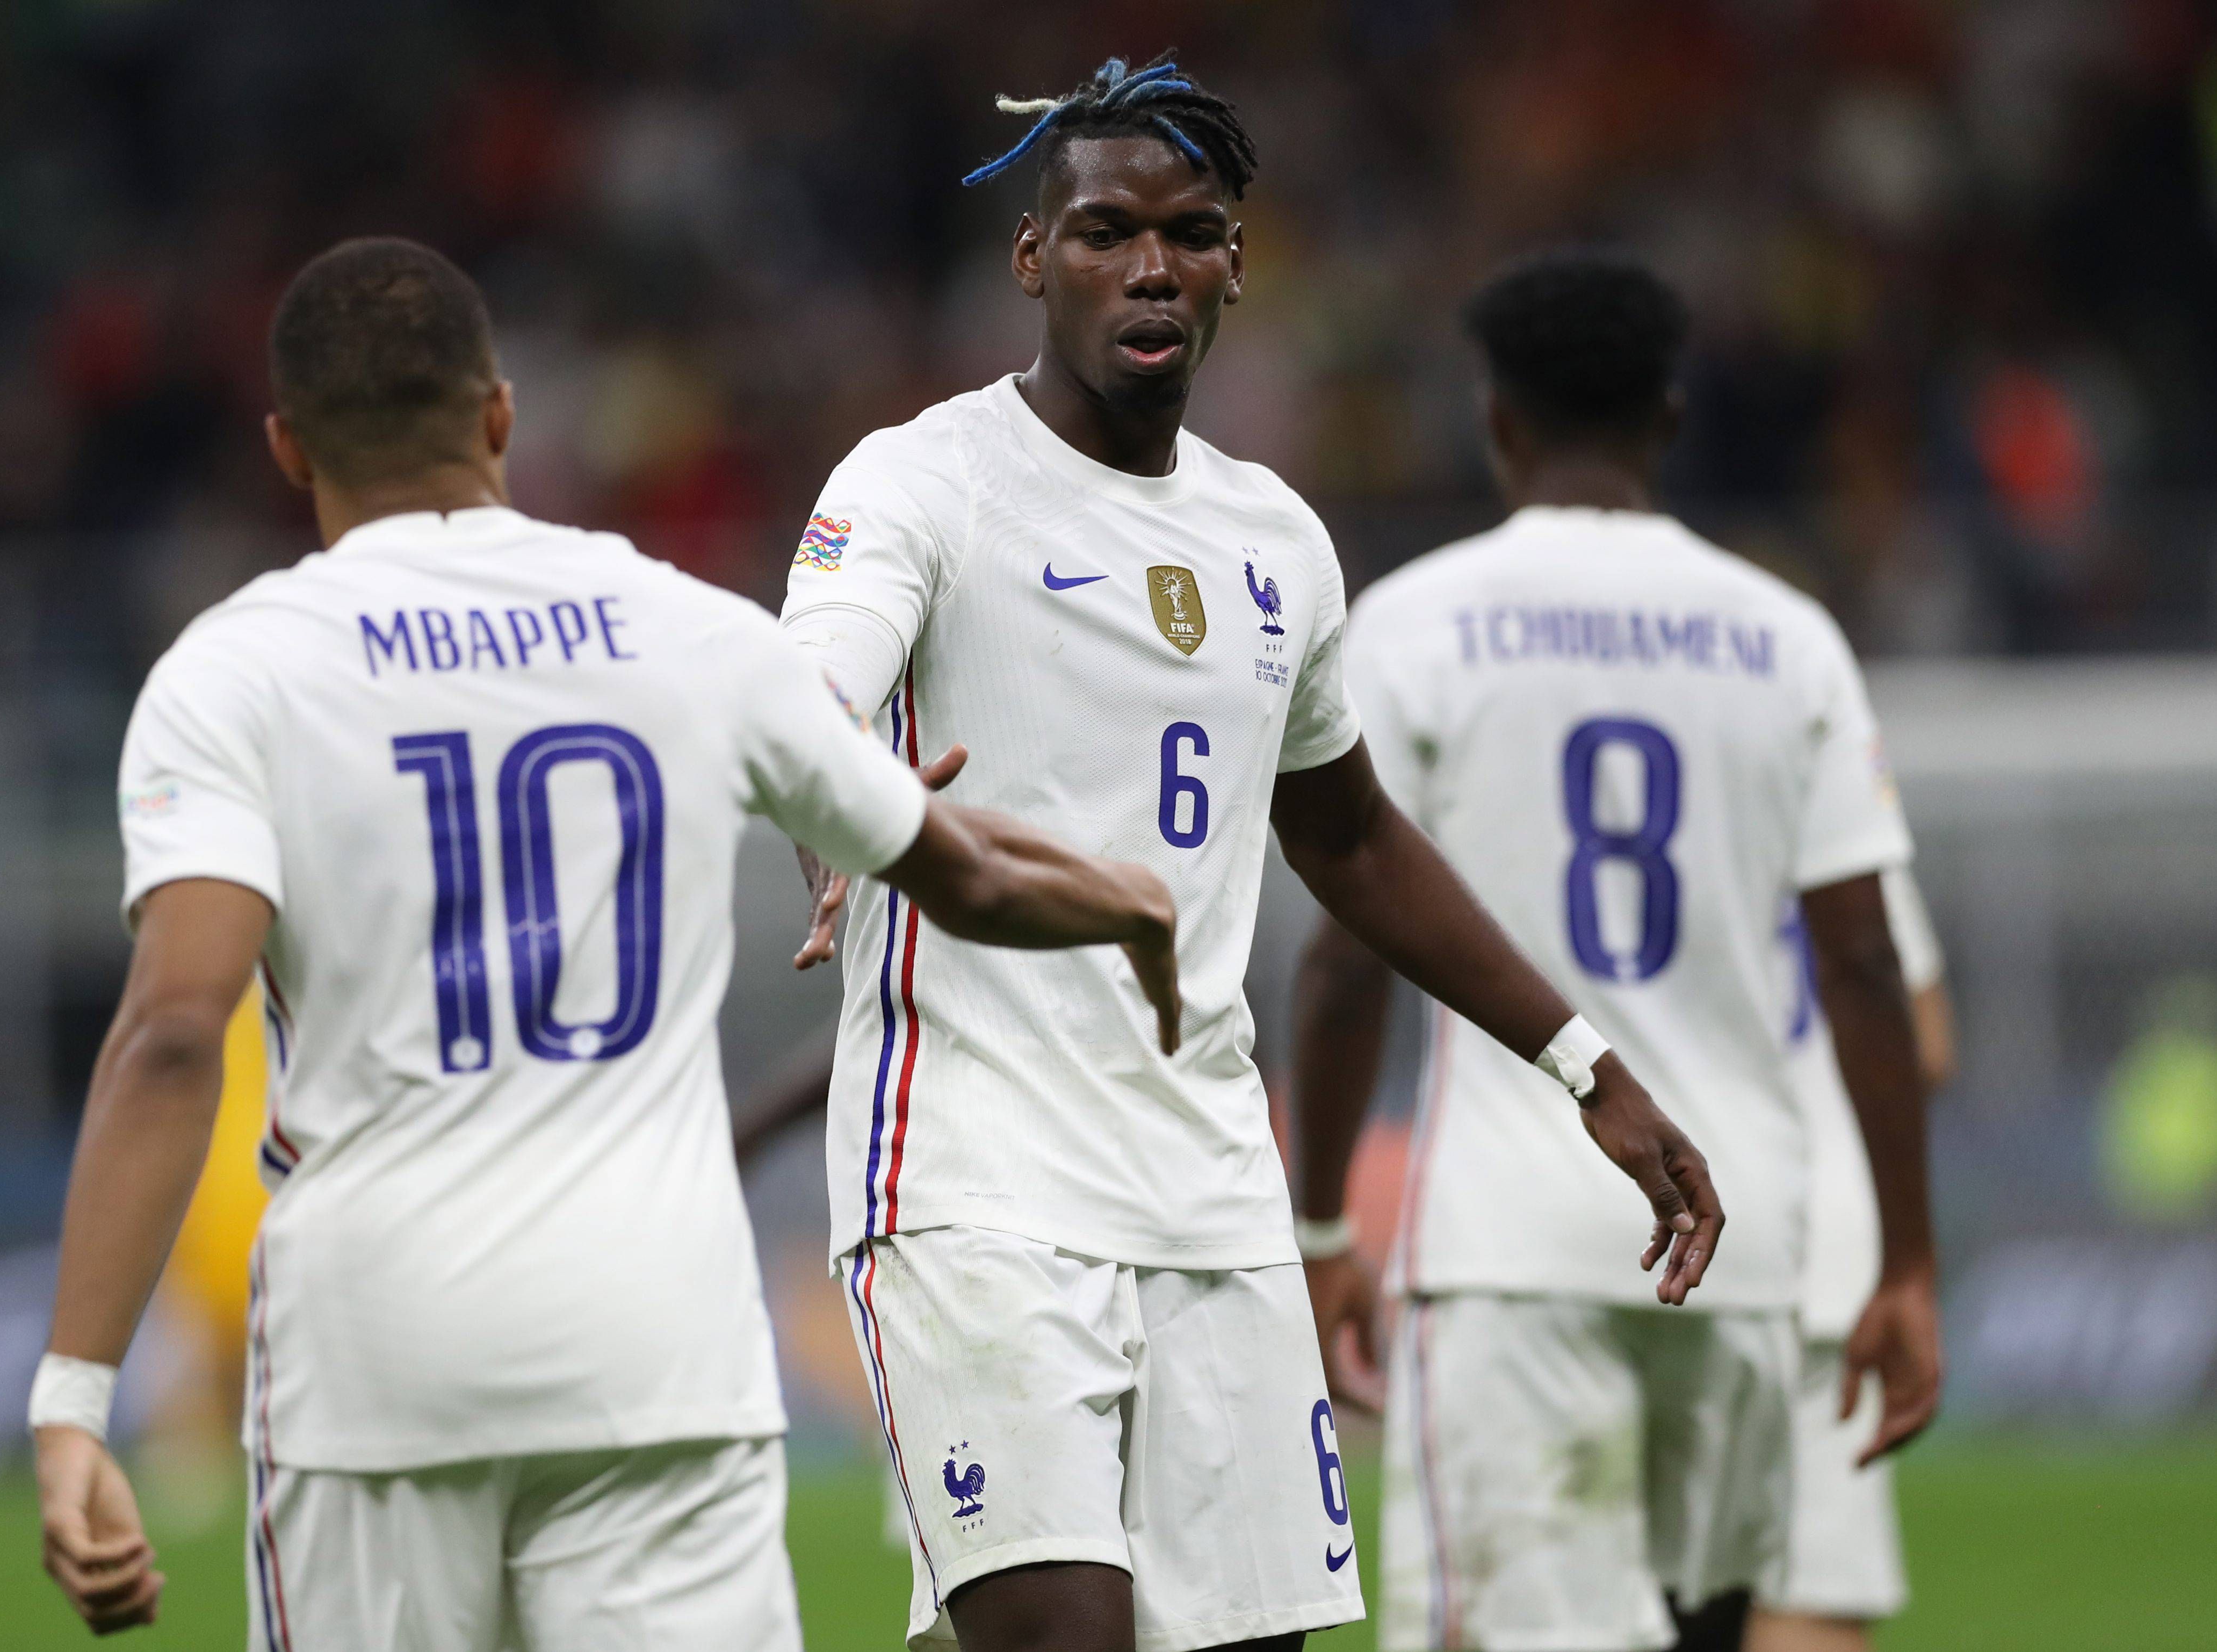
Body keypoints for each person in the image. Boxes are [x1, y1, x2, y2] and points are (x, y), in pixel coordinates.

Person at [26, 236, 1187, 1651]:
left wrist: (75, 1400)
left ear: (285, 447)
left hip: (372, 1355)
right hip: (655, 1345)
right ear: (501, 413)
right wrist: (1129, 904)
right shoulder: (686, 629)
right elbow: (968, 873)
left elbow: (169, 1031)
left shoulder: (234, 672)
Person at [781, 62, 1723, 1652]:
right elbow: (806, 684)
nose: (1149, 266)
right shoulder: (920, 481)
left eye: (1189, 234)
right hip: (973, 1181)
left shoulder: (1273, 537)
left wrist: (1583, 1064)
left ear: (1232, 267)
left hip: (1211, 1189)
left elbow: (1346, 832)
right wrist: (847, 793)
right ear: (1031, 261)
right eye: (1102, 232)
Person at [1290, 249, 1944, 1652]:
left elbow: (1346, 951)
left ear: (1497, 422)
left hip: (1516, 1239)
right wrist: (1903, 1261)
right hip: (1745, 1240)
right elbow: (1867, 965)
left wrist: (1323, 1224)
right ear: (1666, 415)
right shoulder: (1788, 639)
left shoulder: (1414, 624)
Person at [1746, 870, 1954, 1652]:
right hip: (1814, 1245)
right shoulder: (1823, 754)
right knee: (1811, 1599)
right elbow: (1924, 1044)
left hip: (1614, 1238)